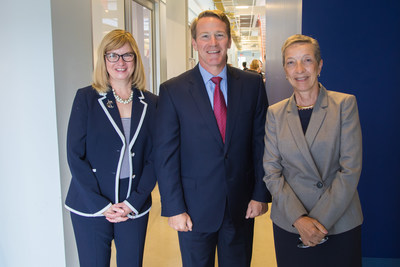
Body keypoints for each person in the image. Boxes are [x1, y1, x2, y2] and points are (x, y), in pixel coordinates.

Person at [155, 10, 270, 267]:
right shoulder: (173, 90)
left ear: (229, 40)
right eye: (204, 36)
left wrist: (260, 193)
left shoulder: (252, 85)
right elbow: (165, 155)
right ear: (194, 43)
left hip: (241, 206)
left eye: (219, 35)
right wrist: (174, 207)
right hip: (193, 209)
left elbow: (261, 143)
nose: (213, 43)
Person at [263, 34, 363, 267]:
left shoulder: (344, 105)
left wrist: (317, 223)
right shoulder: (275, 113)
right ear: (285, 70)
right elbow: (271, 171)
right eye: (291, 62)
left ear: (319, 65)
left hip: (338, 221)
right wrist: (300, 219)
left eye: (307, 60)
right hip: (291, 221)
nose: (299, 69)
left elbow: (350, 170)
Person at [65, 29, 158, 267]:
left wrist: (133, 202)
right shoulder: (86, 98)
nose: (120, 62)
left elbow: (156, 158)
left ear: (136, 59)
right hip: (91, 205)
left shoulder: (152, 102)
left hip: (133, 203)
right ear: (103, 60)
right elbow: (75, 156)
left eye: (127, 55)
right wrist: (101, 204)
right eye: (112, 56)